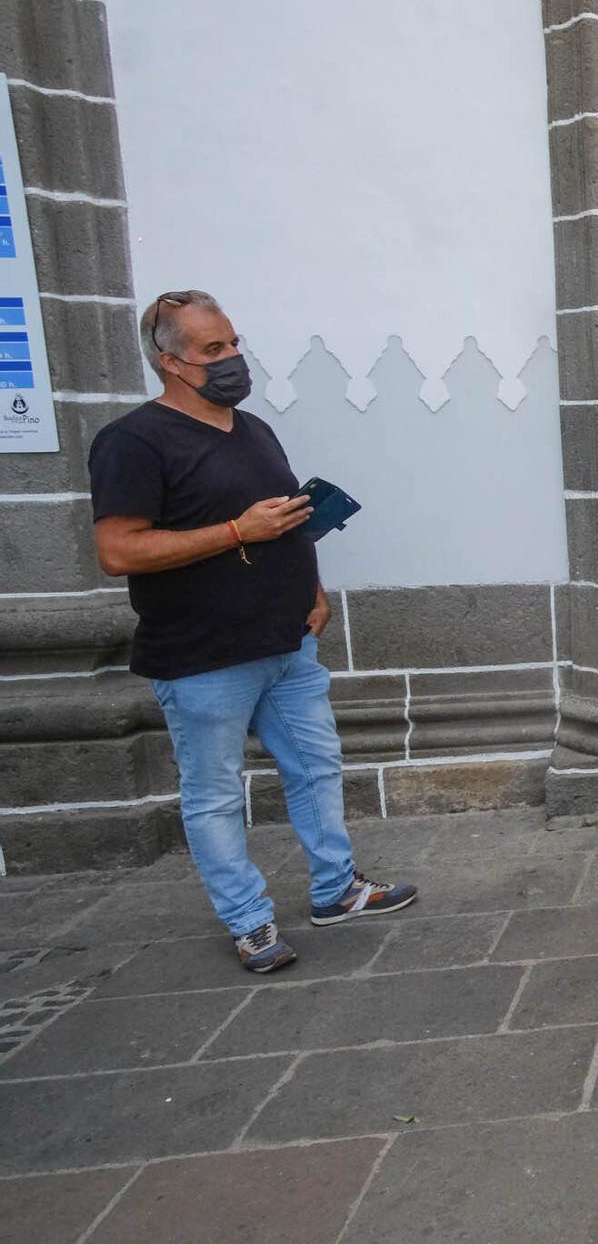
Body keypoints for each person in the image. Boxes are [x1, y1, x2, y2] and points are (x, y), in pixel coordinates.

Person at [87, 290, 416, 974]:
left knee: (316, 767)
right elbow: (120, 551)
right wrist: (239, 531)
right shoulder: (132, 443)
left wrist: (314, 589)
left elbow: (287, 518)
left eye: (233, 343)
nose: (234, 359)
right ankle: (250, 922)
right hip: (202, 657)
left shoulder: (254, 430)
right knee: (213, 794)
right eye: (214, 350)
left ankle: (337, 890)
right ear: (170, 362)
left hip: (286, 644)